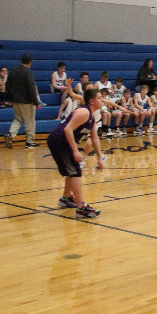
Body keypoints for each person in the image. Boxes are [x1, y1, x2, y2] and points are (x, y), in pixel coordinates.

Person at [48, 88, 104, 219]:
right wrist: (75, 150)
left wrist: (100, 157)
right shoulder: (84, 112)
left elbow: (95, 137)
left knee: (71, 170)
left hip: (63, 142)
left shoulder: (92, 117)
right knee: (75, 172)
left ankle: (66, 198)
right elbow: (68, 129)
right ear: (92, 101)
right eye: (100, 98)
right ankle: (81, 208)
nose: (102, 100)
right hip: (59, 140)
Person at [4, 54, 40, 149]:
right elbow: (31, 88)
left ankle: (10, 134)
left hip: (16, 100)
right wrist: (36, 102)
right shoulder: (28, 72)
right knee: (30, 121)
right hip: (27, 101)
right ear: (30, 62)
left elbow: (7, 86)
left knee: (18, 119)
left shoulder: (13, 71)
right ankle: (29, 142)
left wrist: (8, 99)